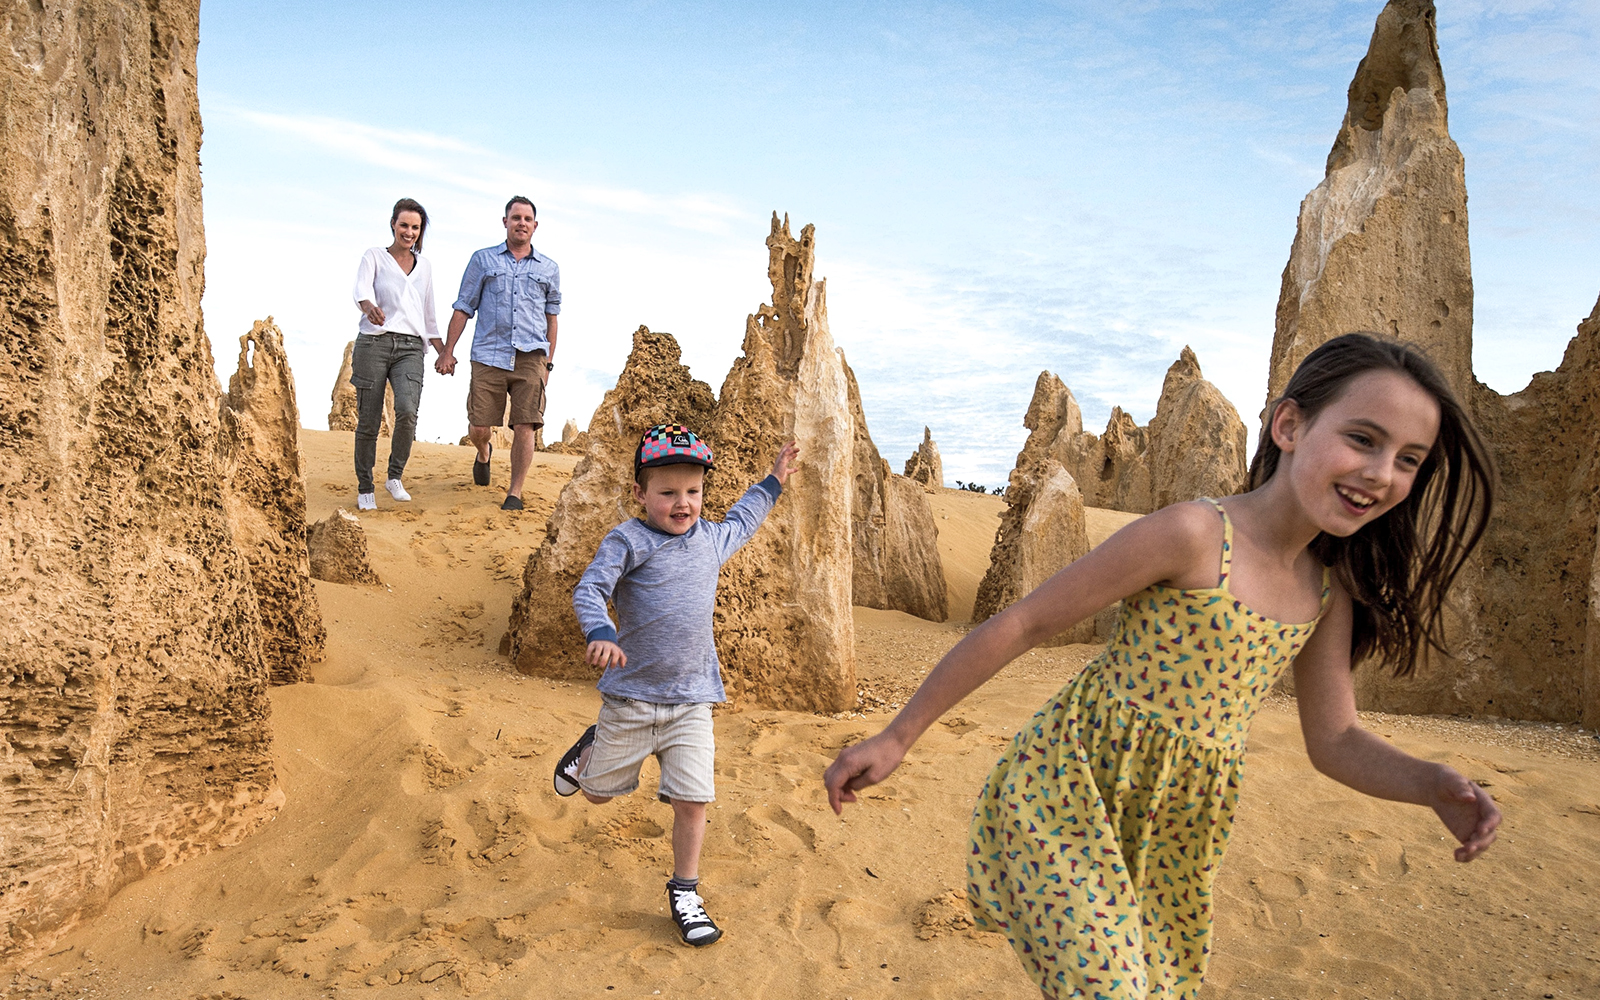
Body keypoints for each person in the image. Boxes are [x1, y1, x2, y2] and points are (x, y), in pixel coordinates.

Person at [823, 333, 1501, 999]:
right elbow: (1024, 623)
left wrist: (1430, 783)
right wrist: (896, 736)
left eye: (1409, 459)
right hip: (1067, 790)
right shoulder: (1195, 535)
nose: (1382, 473)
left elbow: (1336, 740)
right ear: (1289, 425)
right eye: (1363, 439)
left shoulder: (1329, 589)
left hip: (1175, 833)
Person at [552, 425, 800, 947]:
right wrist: (600, 631)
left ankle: (685, 891)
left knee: (693, 801)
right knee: (597, 796)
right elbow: (591, 587)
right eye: (667, 493)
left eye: (693, 491)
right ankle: (590, 749)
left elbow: (746, 517)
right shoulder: (628, 539)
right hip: (631, 698)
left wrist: (774, 481)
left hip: (692, 702)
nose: (682, 503)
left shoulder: (712, 538)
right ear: (641, 495)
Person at [434, 196, 560, 511]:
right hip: (488, 355)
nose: (521, 223)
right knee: (478, 425)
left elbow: (552, 318)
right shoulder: (483, 260)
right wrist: (448, 351)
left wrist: (548, 363)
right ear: (505, 222)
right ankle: (483, 452)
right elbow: (463, 307)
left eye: (527, 218)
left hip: (531, 356)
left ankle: (514, 493)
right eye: (515, 217)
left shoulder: (549, 269)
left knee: (525, 425)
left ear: (535, 225)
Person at [350, 197, 443, 510]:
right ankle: (365, 487)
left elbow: (428, 312)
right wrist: (369, 307)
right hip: (374, 343)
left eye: (415, 227)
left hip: (411, 348)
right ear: (393, 224)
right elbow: (361, 290)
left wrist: (443, 350)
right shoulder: (375, 256)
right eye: (404, 225)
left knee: (406, 411)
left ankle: (394, 476)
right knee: (369, 420)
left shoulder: (425, 266)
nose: (409, 231)